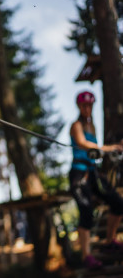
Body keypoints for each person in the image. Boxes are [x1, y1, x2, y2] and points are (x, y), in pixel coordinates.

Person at [69, 90, 123, 270]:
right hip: (79, 173)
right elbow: (83, 144)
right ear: (79, 106)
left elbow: (94, 149)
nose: (87, 108)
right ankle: (86, 256)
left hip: (93, 173)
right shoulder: (76, 125)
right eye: (84, 105)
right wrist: (108, 148)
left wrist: (112, 149)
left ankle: (109, 240)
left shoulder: (92, 127)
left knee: (117, 203)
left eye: (90, 105)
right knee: (86, 212)